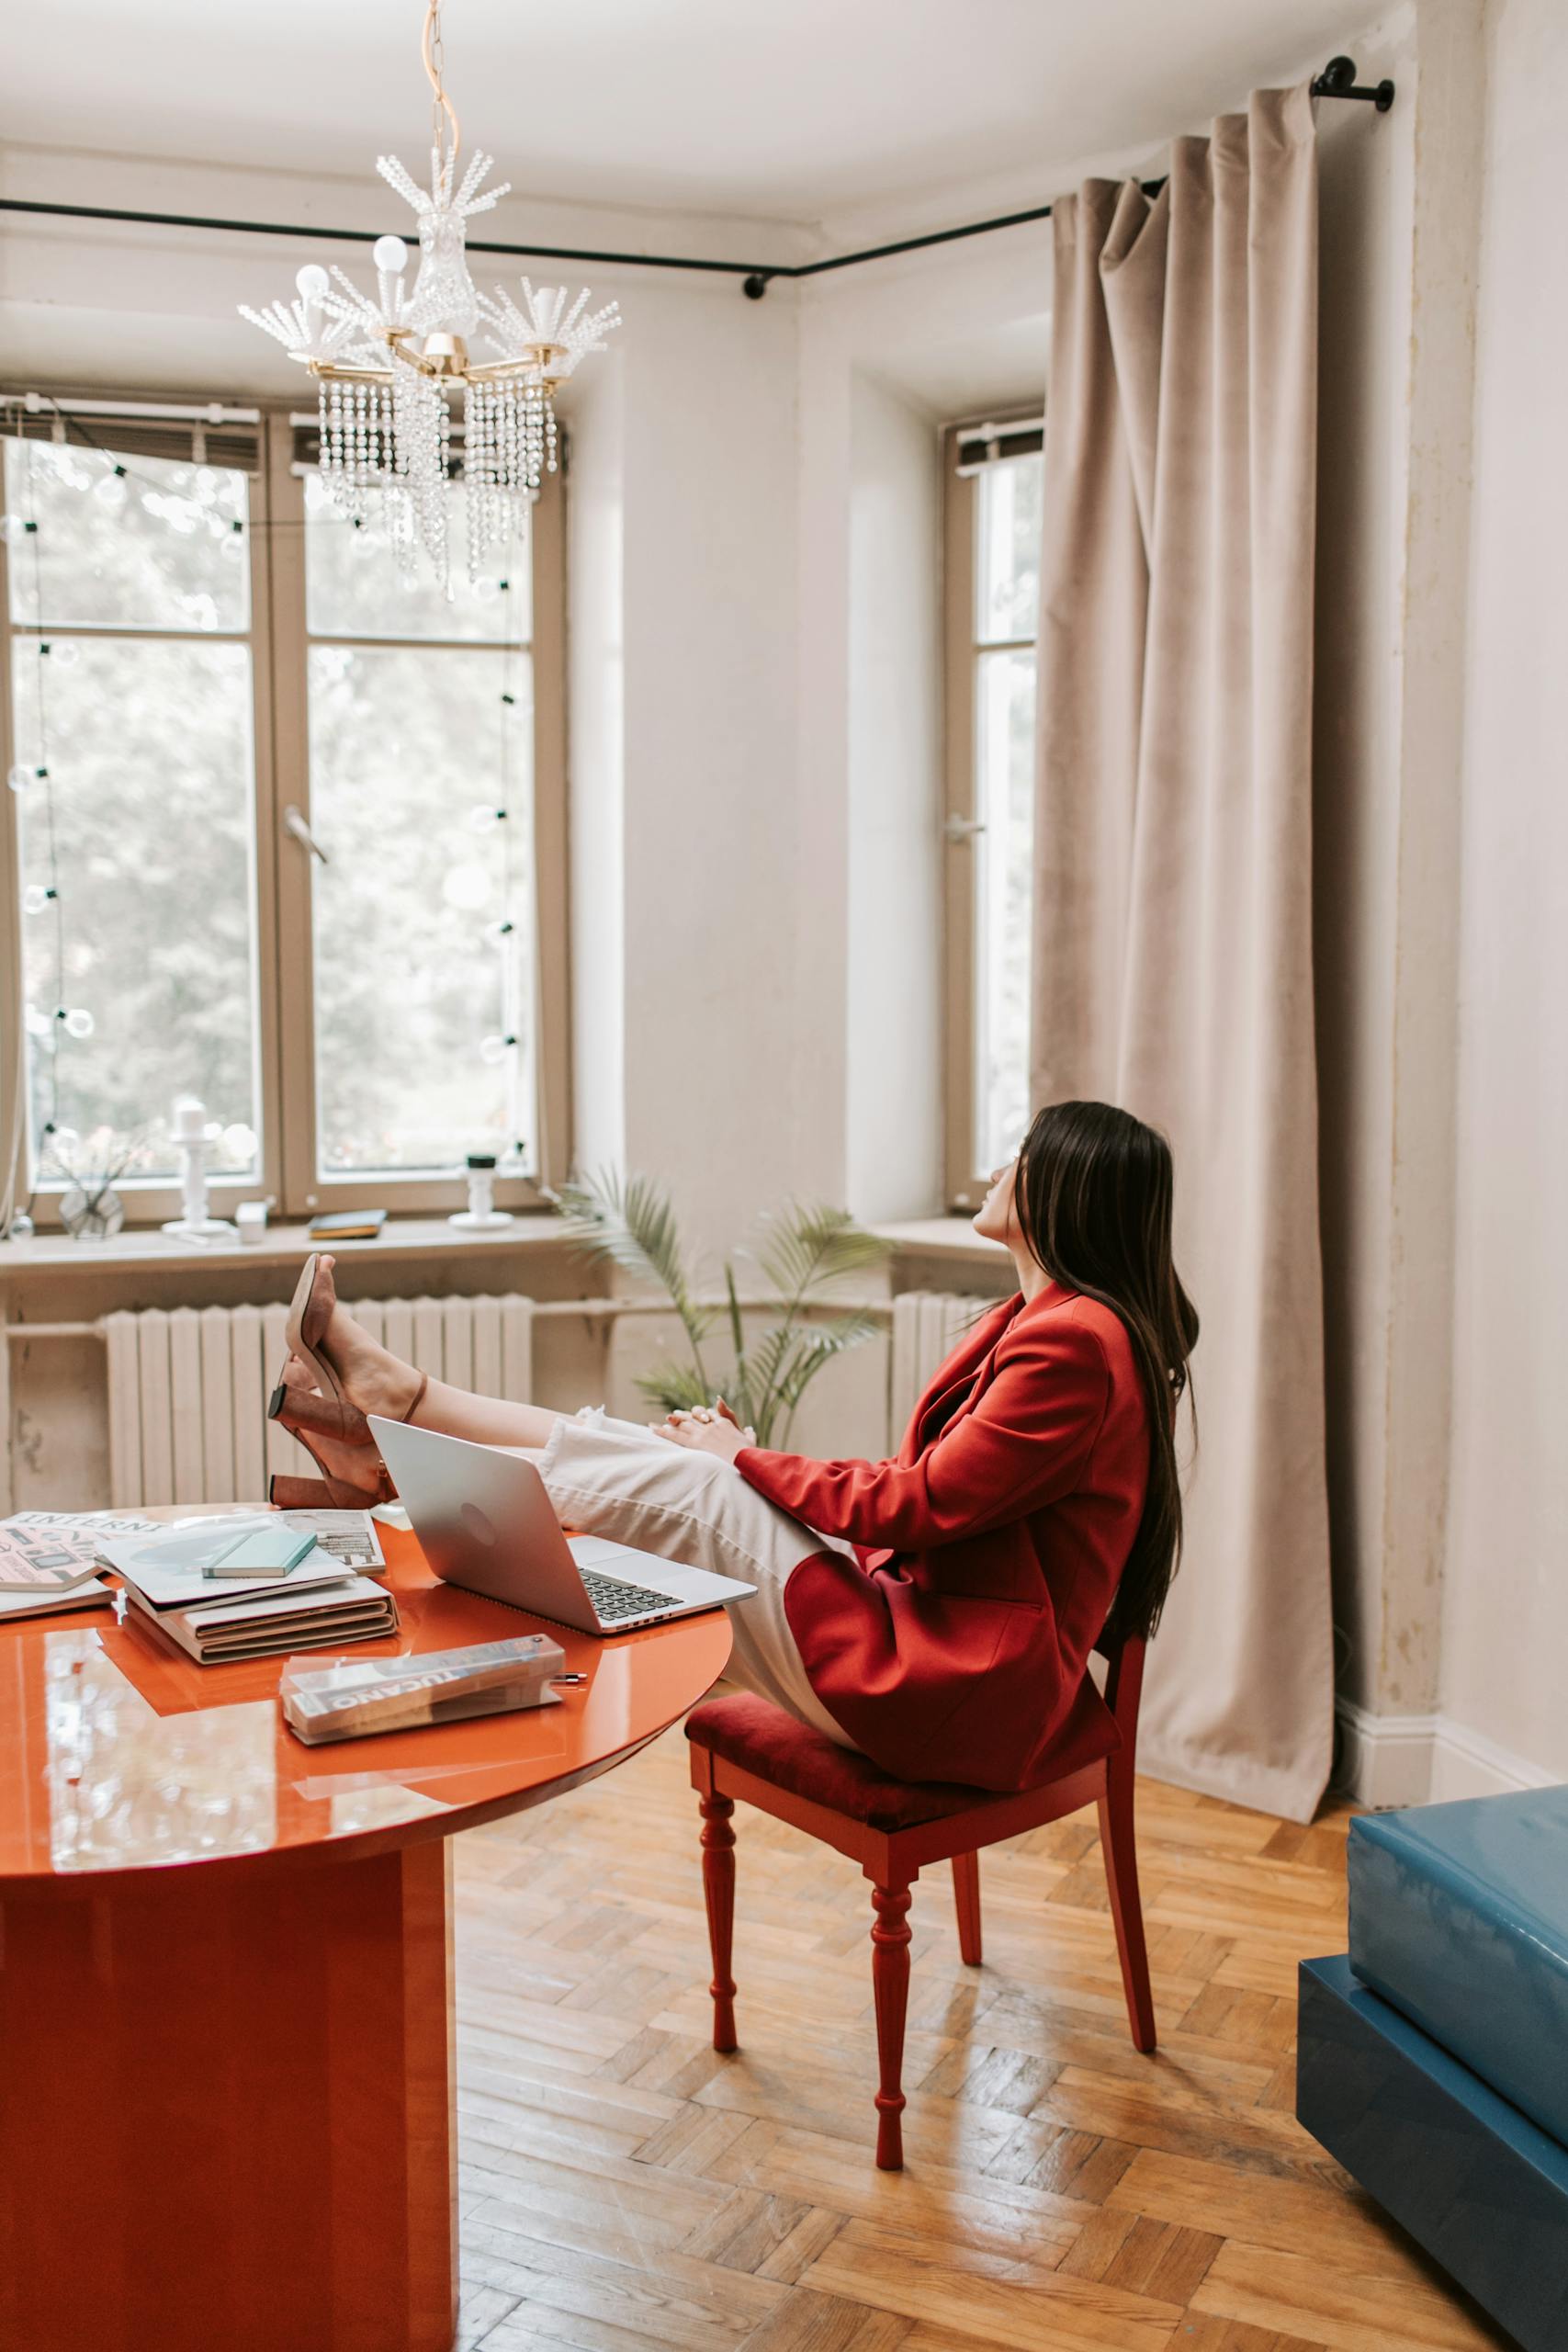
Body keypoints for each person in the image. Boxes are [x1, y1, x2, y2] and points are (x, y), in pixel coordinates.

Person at [271, 1100, 1197, 1792]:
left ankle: (393, 1430)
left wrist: (742, 1462)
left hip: (947, 1693)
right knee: (674, 1467)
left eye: (1022, 1152)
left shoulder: (1075, 1341)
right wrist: (742, 1458)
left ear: (1065, 1186)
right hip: (937, 1644)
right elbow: (927, 1497)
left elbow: (922, 1502)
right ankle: (396, 1419)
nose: (1000, 1164)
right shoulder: (1044, 1322)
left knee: (698, 1485)